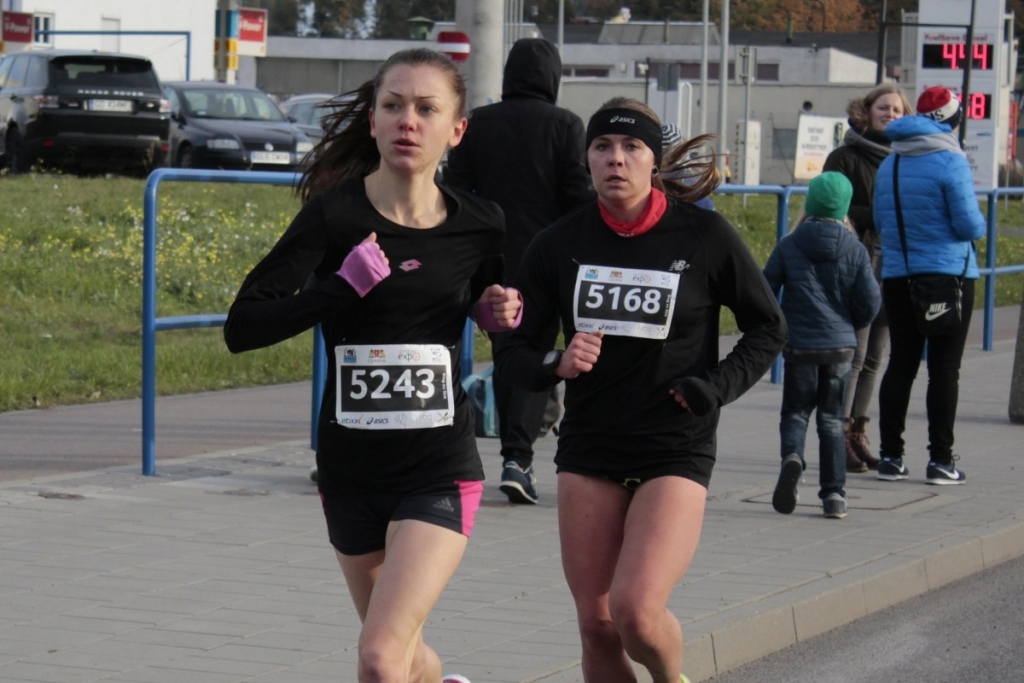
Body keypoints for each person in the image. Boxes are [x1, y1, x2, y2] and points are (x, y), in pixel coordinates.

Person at [223, 48, 522, 683]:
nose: (408, 120)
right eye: (393, 106)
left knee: (380, 659)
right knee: (405, 658)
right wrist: (339, 288)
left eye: (426, 108)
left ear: (456, 130)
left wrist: (498, 315)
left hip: (438, 468)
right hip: (351, 472)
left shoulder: (481, 225)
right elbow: (242, 328)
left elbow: (493, 313)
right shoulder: (334, 216)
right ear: (373, 121)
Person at [494, 97, 786, 683]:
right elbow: (514, 352)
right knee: (597, 626)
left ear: (655, 161)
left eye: (632, 147)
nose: (616, 159)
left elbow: (768, 327)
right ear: (587, 159)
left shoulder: (703, 235)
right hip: (591, 446)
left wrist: (716, 386)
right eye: (602, 146)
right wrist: (557, 362)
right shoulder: (558, 243)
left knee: (636, 612)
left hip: (673, 445)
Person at [445, 37, 594, 505]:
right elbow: (578, 196)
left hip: (488, 260)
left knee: (507, 353)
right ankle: (517, 459)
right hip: (546, 261)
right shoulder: (565, 125)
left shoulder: (479, 123)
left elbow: (454, 191)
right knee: (534, 353)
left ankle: (507, 454)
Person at [872, 86, 985, 485]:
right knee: (944, 368)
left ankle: (890, 457)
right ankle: (940, 460)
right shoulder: (951, 161)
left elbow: (881, 220)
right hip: (948, 276)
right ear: (953, 121)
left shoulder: (892, 161)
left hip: (898, 274)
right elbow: (969, 225)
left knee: (900, 363)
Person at [763, 171, 881, 519]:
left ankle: (792, 459)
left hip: (800, 346)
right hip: (840, 348)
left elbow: (765, 289)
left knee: (795, 413)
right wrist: (850, 325)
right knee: (831, 420)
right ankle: (834, 496)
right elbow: (871, 302)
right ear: (844, 208)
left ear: (810, 203)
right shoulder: (855, 249)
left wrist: (781, 325)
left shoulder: (789, 244)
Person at [822, 84, 912, 473]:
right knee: (855, 355)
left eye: (897, 109)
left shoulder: (907, 156)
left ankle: (859, 430)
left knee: (876, 355)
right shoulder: (844, 156)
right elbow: (830, 207)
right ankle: (839, 434)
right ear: (867, 110)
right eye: (883, 107)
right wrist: (879, 216)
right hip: (857, 263)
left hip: (893, 263)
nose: (890, 114)